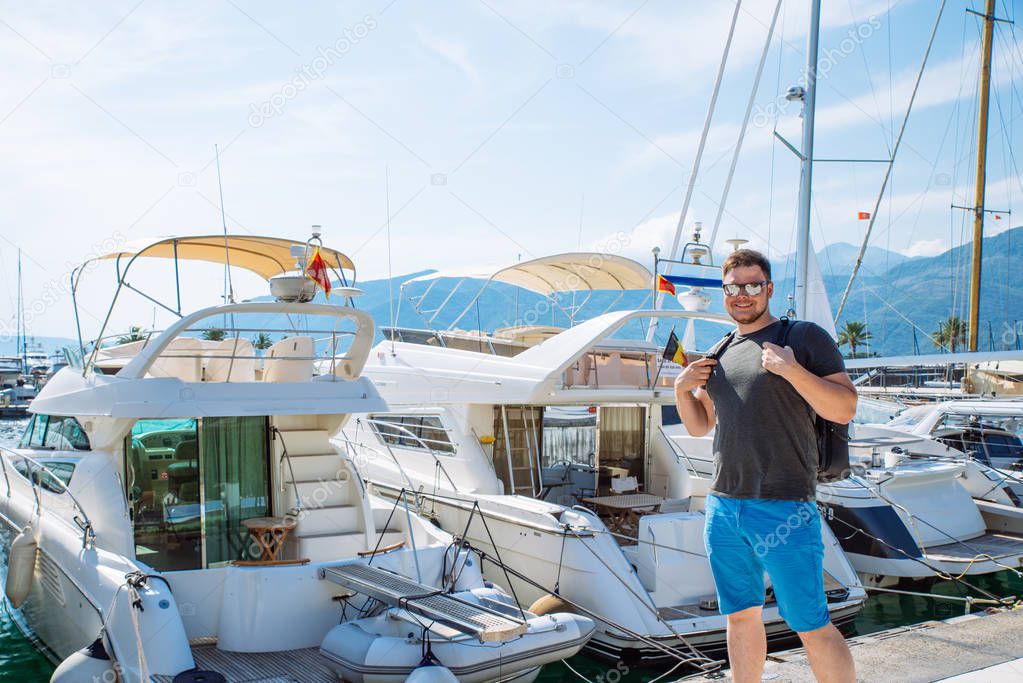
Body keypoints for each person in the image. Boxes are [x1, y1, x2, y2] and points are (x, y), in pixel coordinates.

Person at [673, 249, 857, 683]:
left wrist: (792, 371)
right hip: (723, 507)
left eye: (752, 285)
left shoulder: (804, 338)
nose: (742, 295)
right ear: (724, 293)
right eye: (733, 287)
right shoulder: (719, 350)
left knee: (811, 623)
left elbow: (845, 408)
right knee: (739, 618)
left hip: (785, 506)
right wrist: (682, 390)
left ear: (768, 289)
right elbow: (701, 426)